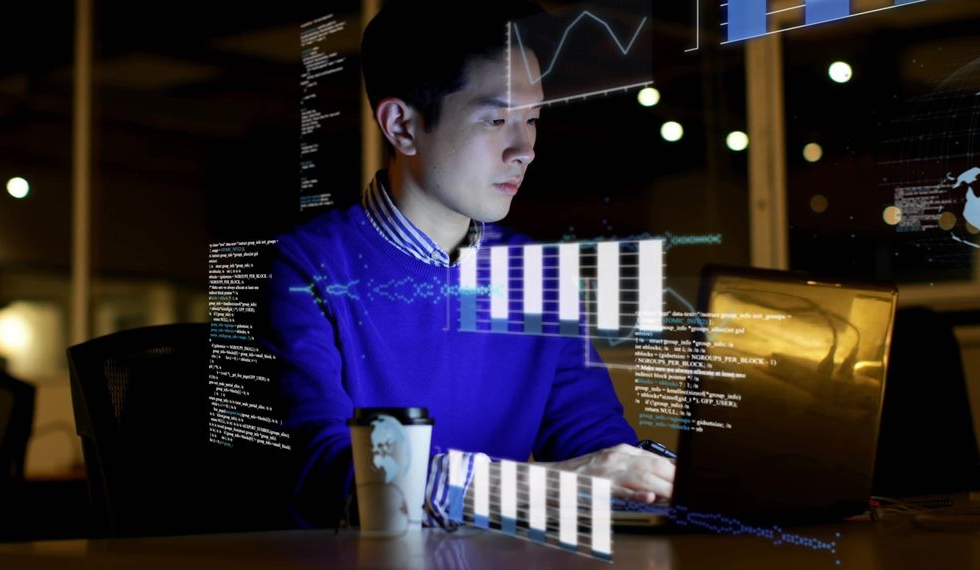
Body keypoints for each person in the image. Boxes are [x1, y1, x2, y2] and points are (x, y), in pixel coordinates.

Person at [260, 0, 674, 527]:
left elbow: (596, 449)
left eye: (533, 119)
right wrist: (553, 485)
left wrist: (665, 479)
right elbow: (331, 475)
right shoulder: (303, 269)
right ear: (402, 127)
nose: (524, 149)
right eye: (498, 118)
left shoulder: (539, 275)